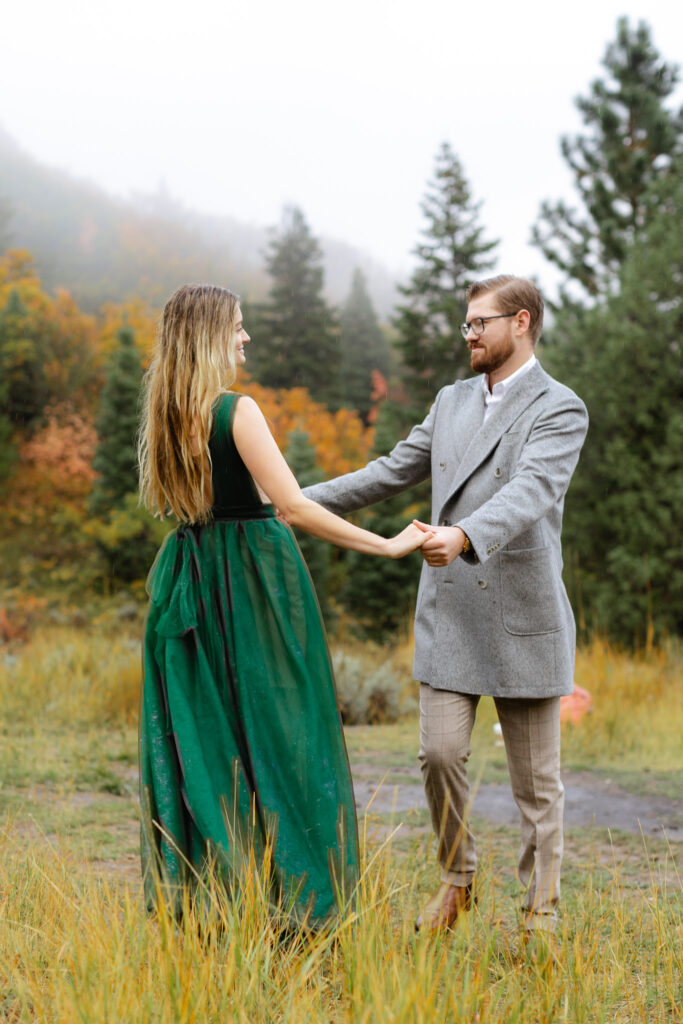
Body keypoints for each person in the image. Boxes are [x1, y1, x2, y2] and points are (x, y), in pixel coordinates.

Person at [302, 275, 589, 935]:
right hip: (451, 613)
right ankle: (457, 880)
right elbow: (388, 470)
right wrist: (292, 500)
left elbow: (531, 490)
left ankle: (539, 913)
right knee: (437, 754)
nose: (468, 335)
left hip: (524, 615)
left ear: (520, 322)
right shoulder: (451, 400)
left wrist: (464, 534)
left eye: (478, 323)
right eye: (465, 324)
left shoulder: (559, 407)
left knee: (535, 786)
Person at [137, 283, 430, 928]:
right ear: (211, 333)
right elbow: (292, 507)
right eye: (237, 327)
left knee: (209, 739)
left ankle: (223, 902)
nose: (245, 338)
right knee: (284, 732)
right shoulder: (237, 411)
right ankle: (297, 903)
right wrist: (386, 546)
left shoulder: (164, 415)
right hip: (254, 586)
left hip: (190, 580)